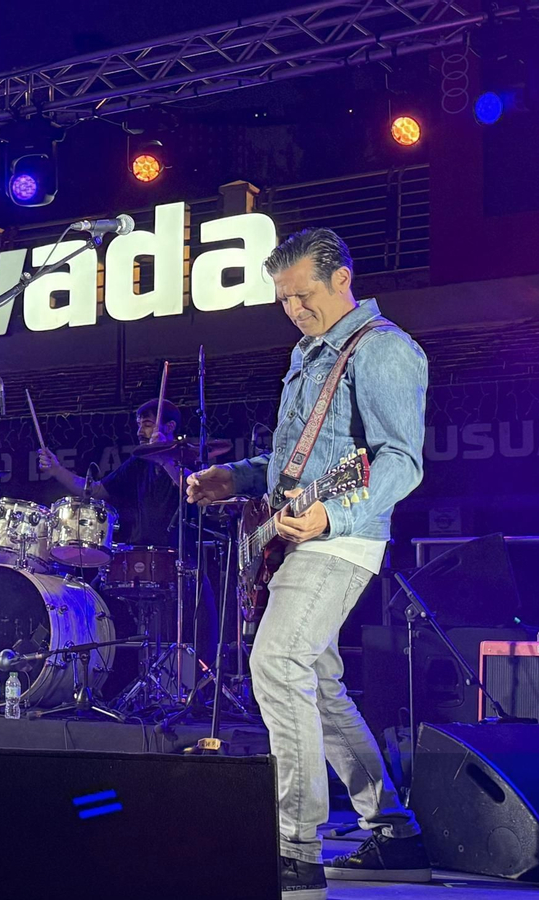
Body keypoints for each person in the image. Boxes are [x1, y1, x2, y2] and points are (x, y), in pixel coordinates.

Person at [187, 228, 430, 899]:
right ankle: (395, 835)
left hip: (341, 541)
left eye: (303, 295)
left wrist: (336, 515)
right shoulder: (309, 353)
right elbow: (298, 467)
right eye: (283, 300)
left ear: (342, 278)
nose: (293, 309)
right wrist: (233, 479)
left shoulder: (382, 350)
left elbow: (401, 461)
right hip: (304, 534)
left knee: (277, 665)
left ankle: (294, 848)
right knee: (317, 684)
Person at [38, 398, 185, 547]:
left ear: (170, 427)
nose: (140, 432)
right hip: (139, 551)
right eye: (139, 425)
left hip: (178, 553)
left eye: (147, 425)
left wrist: (163, 458)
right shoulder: (138, 462)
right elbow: (95, 491)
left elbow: (191, 486)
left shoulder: (187, 456)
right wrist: (57, 470)